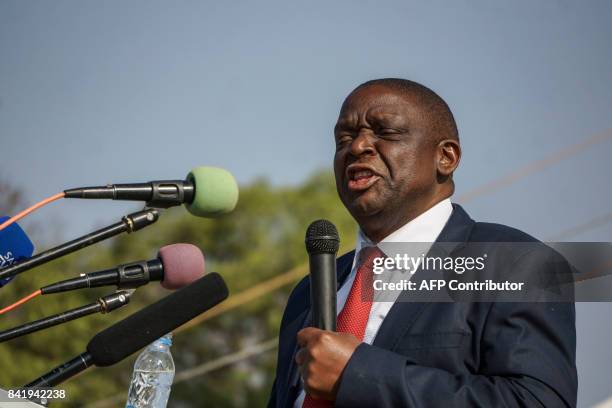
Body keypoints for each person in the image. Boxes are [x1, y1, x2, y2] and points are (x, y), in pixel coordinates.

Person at [267, 78, 577, 407]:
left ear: (446, 157)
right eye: (344, 137)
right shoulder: (309, 292)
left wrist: (359, 374)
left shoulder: (515, 262)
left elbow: (535, 402)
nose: (357, 147)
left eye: (384, 132)